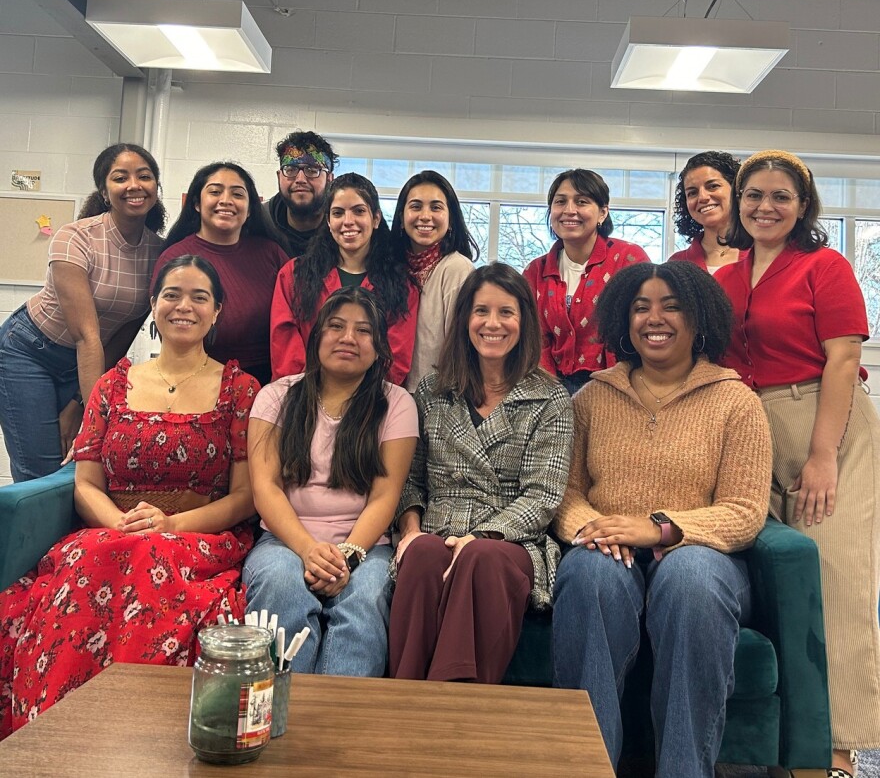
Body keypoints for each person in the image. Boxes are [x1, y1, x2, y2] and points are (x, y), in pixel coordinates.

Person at [0, 255, 260, 738]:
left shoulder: (241, 390)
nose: (184, 306)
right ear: (153, 304)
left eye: (199, 297)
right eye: (172, 295)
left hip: (198, 538)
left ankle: (139, 736)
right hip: (108, 533)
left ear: (218, 311)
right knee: (90, 566)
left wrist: (172, 525)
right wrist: (120, 525)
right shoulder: (112, 384)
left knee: (154, 570)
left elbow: (246, 497)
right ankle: (56, 739)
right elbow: (85, 484)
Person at [551, 260, 771, 778]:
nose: (655, 318)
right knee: (588, 574)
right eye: (641, 306)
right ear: (624, 321)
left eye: (672, 306)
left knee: (688, 575)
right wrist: (593, 530)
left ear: (699, 322)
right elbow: (564, 492)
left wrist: (663, 529)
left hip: (705, 562)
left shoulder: (736, 402)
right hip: (610, 550)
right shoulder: (591, 398)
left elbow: (744, 510)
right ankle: (585, 766)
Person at [715, 149, 880, 778]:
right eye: (754, 194)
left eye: (781, 196)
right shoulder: (725, 279)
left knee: (834, 582)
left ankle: (840, 749)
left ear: (803, 205)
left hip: (826, 422)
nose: (765, 206)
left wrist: (822, 457)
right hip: (755, 427)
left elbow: (841, 361)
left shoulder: (825, 266)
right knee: (778, 582)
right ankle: (790, 738)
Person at [389, 263, 573, 683]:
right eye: (481, 311)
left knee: (480, 557)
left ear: (524, 321)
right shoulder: (432, 390)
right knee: (421, 554)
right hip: (436, 528)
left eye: (506, 312)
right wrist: (411, 529)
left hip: (509, 542)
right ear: (464, 320)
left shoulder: (550, 398)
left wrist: (481, 535)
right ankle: (401, 703)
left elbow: (543, 496)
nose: (493, 324)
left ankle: (454, 709)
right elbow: (409, 478)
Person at [245, 287, 418, 676]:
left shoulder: (397, 404)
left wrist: (349, 555)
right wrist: (308, 550)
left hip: (366, 545)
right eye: (336, 327)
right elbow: (266, 489)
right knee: (280, 583)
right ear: (317, 336)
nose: (348, 338)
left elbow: (384, 496)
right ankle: (276, 712)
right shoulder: (276, 396)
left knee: (367, 598)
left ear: (378, 347)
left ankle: (343, 725)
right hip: (285, 540)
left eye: (363, 331)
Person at [0, 143, 166, 482]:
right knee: (43, 471)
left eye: (144, 176)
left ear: (155, 187)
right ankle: (33, 537)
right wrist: (97, 425)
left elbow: (121, 334)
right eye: (121, 178)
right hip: (29, 352)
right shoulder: (75, 237)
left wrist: (79, 404)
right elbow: (87, 335)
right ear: (105, 192)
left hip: (86, 362)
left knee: (79, 471)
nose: (134, 185)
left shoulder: (158, 253)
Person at [270, 172, 419, 386]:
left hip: (370, 403)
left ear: (375, 219)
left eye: (359, 211)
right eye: (338, 213)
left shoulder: (402, 284)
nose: (348, 221)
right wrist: (315, 394)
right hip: (303, 398)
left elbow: (395, 357)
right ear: (328, 221)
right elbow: (283, 345)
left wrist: (356, 396)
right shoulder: (294, 275)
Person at [154, 162, 288, 386]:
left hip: (268, 385)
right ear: (196, 203)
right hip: (196, 381)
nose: (226, 200)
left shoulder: (271, 253)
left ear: (251, 207)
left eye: (237, 194)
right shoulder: (174, 258)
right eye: (215, 192)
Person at [523, 168, 650, 396]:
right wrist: (552, 394)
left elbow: (643, 326)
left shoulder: (628, 259)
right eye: (560, 202)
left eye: (582, 201)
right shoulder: (535, 271)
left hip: (621, 387)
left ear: (602, 213)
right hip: (550, 388)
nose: (569, 210)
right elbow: (533, 338)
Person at [390, 170, 477, 391]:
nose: (425, 216)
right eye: (416, 206)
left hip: (439, 395)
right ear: (401, 218)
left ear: (450, 221)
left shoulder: (457, 268)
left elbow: (462, 349)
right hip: (391, 392)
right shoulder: (390, 267)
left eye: (436, 207)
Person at [668, 150, 747, 273]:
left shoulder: (762, 255)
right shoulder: (676, 264)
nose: (702, 197)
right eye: (692, 193)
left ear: (736, 189)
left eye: (713, 186)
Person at [263, 130, 338, 257]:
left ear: (329, 179)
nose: (300, 179)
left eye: (312, 170)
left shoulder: (343, 228)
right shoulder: (260, 223)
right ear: (279, 176)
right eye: (291, 169)